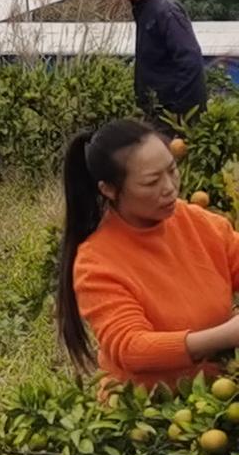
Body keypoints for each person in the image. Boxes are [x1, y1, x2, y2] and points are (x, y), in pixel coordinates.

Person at [55, 118, 239, 388]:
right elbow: (132, 348)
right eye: (151, 182)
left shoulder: (199, 223)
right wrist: (226, 335)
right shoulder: (96, 261)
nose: (169, 188)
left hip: (216, 397)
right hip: (150, 414)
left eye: (172, 170)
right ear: (109, 189)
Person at [116, 0, 208, 120]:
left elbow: (190, 59)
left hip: (172, 114)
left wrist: (182, 112)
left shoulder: (165, 10)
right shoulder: (147, 8)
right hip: (157, 109)